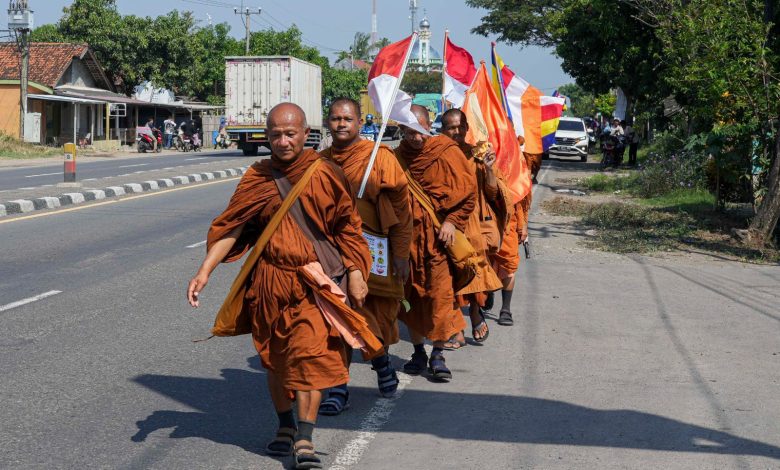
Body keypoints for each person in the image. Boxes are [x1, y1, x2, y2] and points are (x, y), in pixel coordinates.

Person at [187, 103, 374, 469]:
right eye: (276, 134)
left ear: (307, 134)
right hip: (270, 281)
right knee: (275, 360)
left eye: (291, 134)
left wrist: (355, 271)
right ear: (267, 136)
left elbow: (347, 228)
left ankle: (305, 437)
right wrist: (204, 270)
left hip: (313, 282)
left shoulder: (325, 173)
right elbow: (233, 227)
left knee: (310, 356)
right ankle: (285, 424)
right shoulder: (257, 176)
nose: (284, 141)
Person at [318, 97, 413, 414]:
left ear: (360, 123)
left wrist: (401, 254)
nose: (341, 124)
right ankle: (337, 387)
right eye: (335, 119)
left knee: (371, 319)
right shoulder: (319, 163)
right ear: (328, 123)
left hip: (374, 253)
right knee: (335, 318)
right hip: (333, 254)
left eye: (347, 119)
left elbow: (402, 212)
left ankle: (382, 362)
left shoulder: (379, 158)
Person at [395, 104, 475, 381]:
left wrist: (452, 222)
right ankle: (418, 351)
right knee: (412, 298)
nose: (416, 138)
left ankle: (438, 353)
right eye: (410, 132)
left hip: (439, 242)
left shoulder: (446, 151)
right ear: (402, 130)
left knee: (440, 297)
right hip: (408, 243)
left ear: (429, 126)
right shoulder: (396, 158)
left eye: (421, 130)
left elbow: (468, 195)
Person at [439, 108, 504, 342]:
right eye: (451, 127)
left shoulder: (477, 156)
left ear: (467, 129)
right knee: (449, 275)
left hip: (473, 223)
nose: (456, 131)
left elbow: (493, 192)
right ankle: (456, 324)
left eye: (460, 126)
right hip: (445, 222)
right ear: (442, 130)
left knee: (474, 271)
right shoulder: (435, 156)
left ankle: (476, 313)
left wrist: (488, 169)